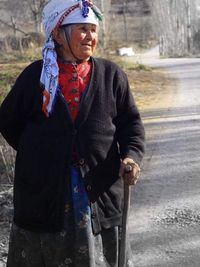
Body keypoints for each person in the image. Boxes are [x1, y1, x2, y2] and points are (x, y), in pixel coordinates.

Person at [0, 0, 145, 266]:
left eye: (94, 29)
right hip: (45, 192)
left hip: (98, 191)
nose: (90, 36)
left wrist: (131, 156)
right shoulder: (36, 77)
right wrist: (38, 153)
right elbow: (8, 121)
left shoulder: (112, 75)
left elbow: (131, 125)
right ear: (58, 34)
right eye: (82, 29)